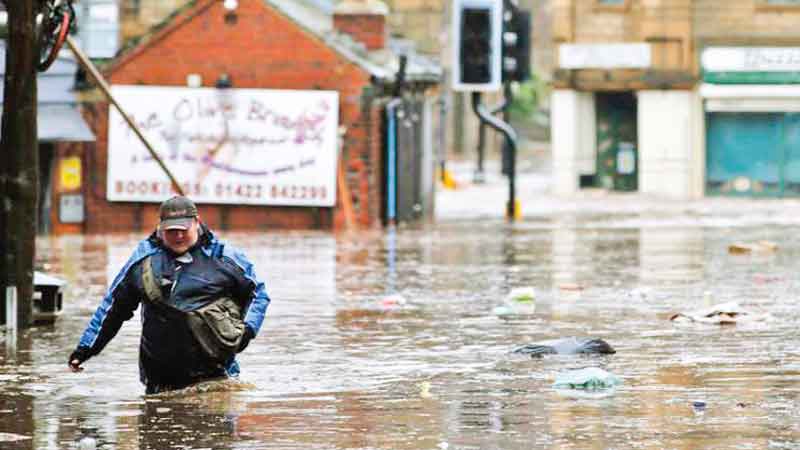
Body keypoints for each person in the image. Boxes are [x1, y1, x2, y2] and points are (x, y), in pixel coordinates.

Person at [67, 195, 270, 394]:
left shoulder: (224, 257)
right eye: (172, 231)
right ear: (160, 228)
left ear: (196, 223)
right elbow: (113, 308)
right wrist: (85, 350)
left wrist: (248, 330)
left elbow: (258, 294)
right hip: (160, 381)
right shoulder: (143, 260)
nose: (178, 236)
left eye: (183, 230)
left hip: (217, 377)